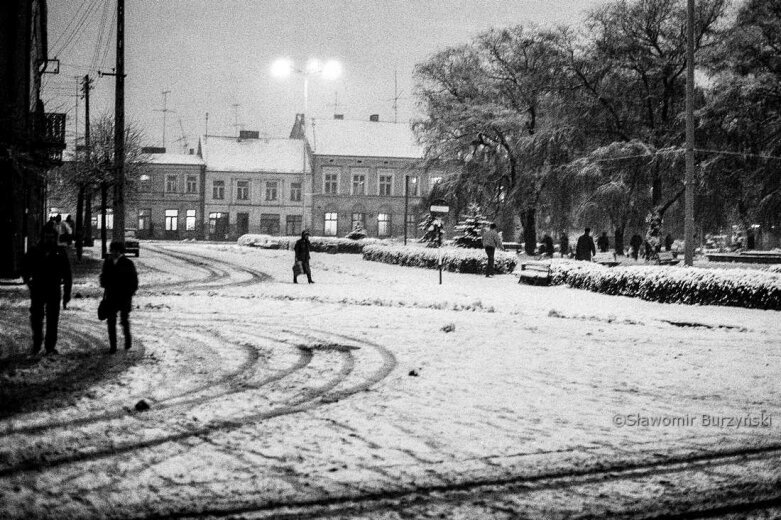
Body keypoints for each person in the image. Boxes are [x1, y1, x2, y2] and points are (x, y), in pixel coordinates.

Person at [21, 223, 72, 355]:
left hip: (53, 289)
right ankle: (37, 343)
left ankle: (50, 346)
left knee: (52, 319)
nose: (49, 239)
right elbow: (25, 267)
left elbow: (67, 274)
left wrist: (67, 293)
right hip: (38, 288)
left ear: (55, 238)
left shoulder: (60, 253)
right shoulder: (34, 251)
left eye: (51, 237)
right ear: (42, 237)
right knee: (36, 318)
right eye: (46, 237)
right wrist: (28, 281)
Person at [100, 241, 139, 353]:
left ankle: (127, 340)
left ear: (121, 251)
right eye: (112, 250)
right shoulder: (108, 263)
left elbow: (134, 281)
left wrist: (129, 293)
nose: (114, 253)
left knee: (124, 320)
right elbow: (103, 277)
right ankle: (113, 346)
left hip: (124, 296)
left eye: (116, 251)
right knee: (111, 321)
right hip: (111, 296)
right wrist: (104, 283)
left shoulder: (127, 263)